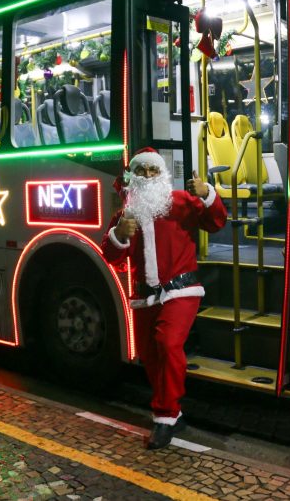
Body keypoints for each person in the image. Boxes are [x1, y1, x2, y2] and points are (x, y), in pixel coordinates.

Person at [101, 147, 227, 449]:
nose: (147, 175)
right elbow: (111, 255)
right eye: (141, 170)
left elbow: (216, 222)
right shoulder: (125, 215)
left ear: (162, 174)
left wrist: (207, 193)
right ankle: (175, 410)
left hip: (182, 291)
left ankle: (164, 417)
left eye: (153, 170)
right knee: (150, 355)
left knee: (168, 344)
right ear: (134, 175)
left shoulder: (182, 202)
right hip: (146, 298)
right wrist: (119, 234)